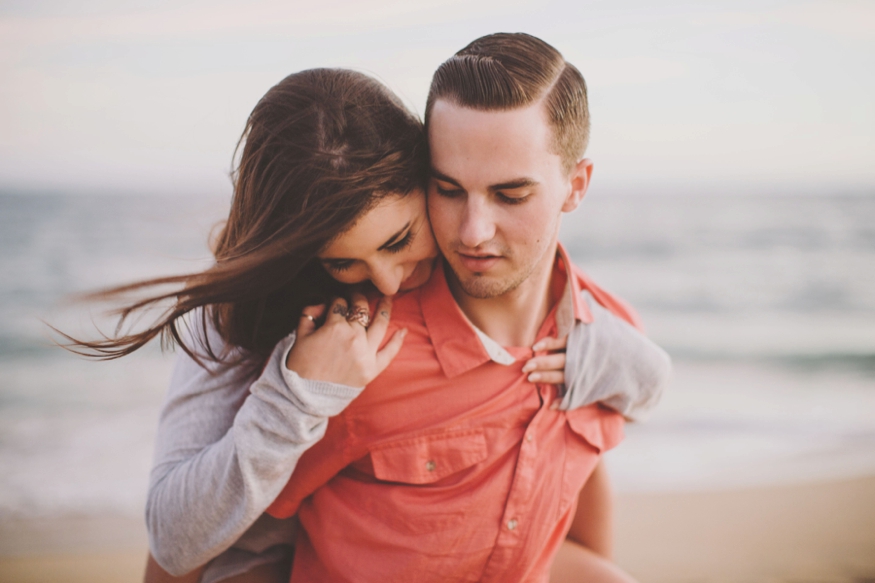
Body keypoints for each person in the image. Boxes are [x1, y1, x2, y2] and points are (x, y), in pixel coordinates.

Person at [65, 62, 667, 582]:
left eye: (401, 238)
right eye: (343, 262)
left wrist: (640, 368)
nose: (384, 280)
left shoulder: (555, 303)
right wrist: (293, 400)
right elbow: (180, 544)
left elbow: (566, 447)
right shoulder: (263, 324)